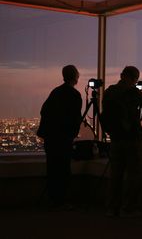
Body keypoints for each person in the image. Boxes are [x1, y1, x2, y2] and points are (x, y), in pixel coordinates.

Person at [102, 66, 142, 218]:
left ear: (121, 75)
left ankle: (112, 208)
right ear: (134, 79)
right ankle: (129, 208)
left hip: (116, 137)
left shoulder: (110, 91)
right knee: (134, 174)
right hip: (132, 138)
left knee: (116, 174)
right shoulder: (133, 92)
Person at [37, 65, 82, 209]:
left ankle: (53, 199)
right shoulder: (74, 95)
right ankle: (61, 200)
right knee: (63, 169)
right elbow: (75, 118)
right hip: (63, 139)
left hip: (51, 138)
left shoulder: (55, 92)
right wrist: (71, 134)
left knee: (52, 168)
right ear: (75, 77)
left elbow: (44, 111)